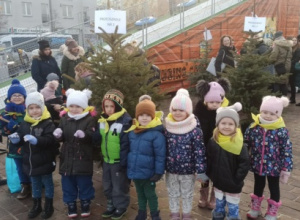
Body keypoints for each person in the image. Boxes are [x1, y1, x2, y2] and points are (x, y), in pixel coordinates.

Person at [8, 89, 58, 219]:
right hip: (30, 162)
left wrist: (38, 140)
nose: (34, 111)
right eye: (31, 108)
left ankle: (49, 205)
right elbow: (20, 136)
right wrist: (16, 139)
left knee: (47, 183)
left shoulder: (47, 123)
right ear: (27, 109)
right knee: (35, 184)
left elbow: (51, 140)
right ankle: (36, 205)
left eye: (37, 107)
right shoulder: (25, 123)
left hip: (45, 161)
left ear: (42, 107)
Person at [244, 96, 293, 220]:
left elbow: (286, 149)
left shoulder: (281, 130)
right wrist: (243, 155)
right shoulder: (254, 126)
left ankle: (272, 211)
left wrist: (286, 168)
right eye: (265, 112)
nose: (267, 116)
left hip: (274, 167)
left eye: (272, 113)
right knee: (258, 185)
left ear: (278, 115)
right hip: (257, 164)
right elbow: (246, 142)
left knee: (274, 187)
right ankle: (255, 208)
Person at [53, 88, 96, 218]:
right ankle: (70, 203)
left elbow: (92, 135)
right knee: (67, 182)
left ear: (83, 107)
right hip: (67, 156)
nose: (74, 109)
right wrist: (58, 134)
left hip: (83, 157)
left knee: (84, 182)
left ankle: (85, 201)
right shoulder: (65, 119)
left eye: (78, 106)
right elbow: (62, 134)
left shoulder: (89, 119)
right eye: (71, 106)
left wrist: (85, 135)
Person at [165, 88, 207, 220]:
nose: (177, 113)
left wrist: (201, 170)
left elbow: (199, 152)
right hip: (171, 170)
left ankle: (187, 214)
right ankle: (175, 213)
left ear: (188, 111)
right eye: (175, 109)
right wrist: (160, 167)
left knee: (187, 193)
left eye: (181, 110)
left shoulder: (194, 130)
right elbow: (163, 149)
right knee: (172, 193)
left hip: (188, 171)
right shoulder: (168, 127)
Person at [126, 95, 166, 220]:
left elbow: (160, 155)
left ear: (152, 117)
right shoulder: (133, 131)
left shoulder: (156, 134)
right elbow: (130, 151)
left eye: (148, 115)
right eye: (141, 115)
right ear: (137, 116)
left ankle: (155, 214)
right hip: (136, 171)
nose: (144, 118)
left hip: (149, 174)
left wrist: (158, 172)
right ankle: (141, 212)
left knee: (150, 194)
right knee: (140, 193)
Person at [207, 102, 249, 220]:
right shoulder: (213, 141)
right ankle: (218, 217)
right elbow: (209, 158)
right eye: (223, 123)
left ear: (236, 126)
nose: (226, 126)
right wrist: (210, 174)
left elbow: (244, 163)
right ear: (218, 124)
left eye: (230, 124)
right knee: (219, 205)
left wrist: (237, 179)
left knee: (233, 207)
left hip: (233, 184)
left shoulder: (239, 144)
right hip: (218, 182)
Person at [193, 78, 231, 210]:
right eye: (211, 102)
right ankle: (203, 196)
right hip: (203, 148)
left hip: (218, 149)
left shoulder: (224, 112)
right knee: (204, 173)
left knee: (216, 173)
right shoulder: (198, 112)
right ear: (205, 100)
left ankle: (214, 196)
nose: (215, 104)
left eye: (217, 102)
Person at [95, 89, 132, 219]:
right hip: (107, 160)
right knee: (107, 184)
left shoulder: (125, 122)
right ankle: (110, 204)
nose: (109, 109)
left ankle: (121, 206)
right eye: (106, 106)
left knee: (119, 186)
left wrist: (123, 162)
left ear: (118, 106)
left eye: (112, 106)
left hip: (118, 161)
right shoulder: (102, 120)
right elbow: (98, 138)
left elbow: (125, 144)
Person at [0, 79, 31, 196]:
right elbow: (3, 132)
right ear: (9, 98)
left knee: (31, 163)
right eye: (14, 95)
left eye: (20, 95)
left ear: (24, 97)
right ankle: (25, 185)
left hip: (28, 144)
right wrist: (8, 128)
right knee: (20, 166)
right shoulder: (5, 114)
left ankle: (35, 183)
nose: (17, 97)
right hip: (15, 146)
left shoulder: (28, 110)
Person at [269, 31, 293, 96]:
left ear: (276, 38)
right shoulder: (289, 45)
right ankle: (284, 99)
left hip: (279, 65)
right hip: (287, 65)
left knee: (277, 82)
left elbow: (274, 56)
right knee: (284, 82)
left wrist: (268, 61)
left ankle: (277, 98)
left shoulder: (277, 45)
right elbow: (290, 55)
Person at [289, 36, 300, 104]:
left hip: (294, 68)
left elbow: (296, 59)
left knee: (293, 83)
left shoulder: (298, 49)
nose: (294, 41)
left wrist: (290, 62)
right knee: (291, 83)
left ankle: (293, 98)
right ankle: (292, 98)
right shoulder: (290, 48)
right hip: (291, 67)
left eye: (295, 40)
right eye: (293, 40)